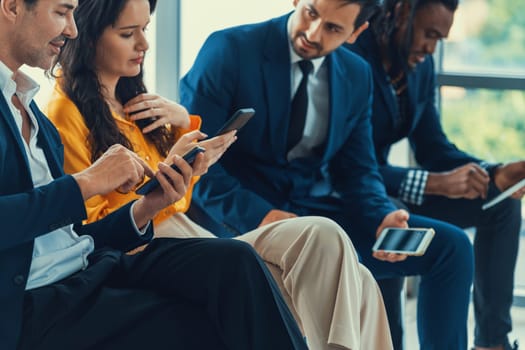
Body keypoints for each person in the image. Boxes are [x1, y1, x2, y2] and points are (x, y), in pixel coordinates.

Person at [44, 0, 394, 349]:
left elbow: (178, 198)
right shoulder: (65, 114)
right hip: (150, 249)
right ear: (88, 37)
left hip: (191, 235)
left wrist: (189, 142)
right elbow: (92, 228)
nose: (144, 45)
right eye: (127, 34)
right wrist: (167, 178)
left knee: (342, 255)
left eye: (145, 30)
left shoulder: (138, 104)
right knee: (336, 255)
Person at [0, 0, 311, 349]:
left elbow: (68, 236)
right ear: (12, 7)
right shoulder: (56, 112)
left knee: (235, 261)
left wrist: (147, 206)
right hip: (40, 301)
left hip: (87, 266)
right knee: (209, 323)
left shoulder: (32, 113)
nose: (72, 29)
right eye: (61, 12)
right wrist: (86, 182)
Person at [179, 0, 476, 349]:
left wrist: (382, 216)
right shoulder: (229, 50)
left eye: (334, 28)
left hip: (311, 208)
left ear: (357, 32)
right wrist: (264, 216)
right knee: (325, 252)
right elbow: (196, 164)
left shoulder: (355, 74)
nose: (312, 33)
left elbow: (358, 170)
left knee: (452, 248)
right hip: (238, 215)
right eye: (310, 12)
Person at [345, 0, 524, 349]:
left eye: (440, 39)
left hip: (394, 187)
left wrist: (495, 172)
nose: (431, 48)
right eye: (428, 34)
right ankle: (388, 342)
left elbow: (433, 148)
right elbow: (352, 166)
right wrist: (434, 183)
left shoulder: (419, 68)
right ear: (399, 12)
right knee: (393, 215)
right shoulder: (353, 57)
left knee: (501, 207)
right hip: (356, 192)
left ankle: (492, 342)